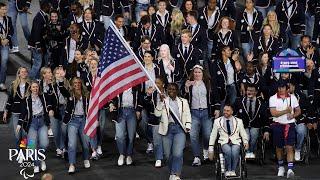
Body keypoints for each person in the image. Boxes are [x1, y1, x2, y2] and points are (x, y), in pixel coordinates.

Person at [155, 83, 191, 180]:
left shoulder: (183, 101)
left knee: (178, 153)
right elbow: (157, 114)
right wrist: (160, 102)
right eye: (169, 89)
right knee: (167, 154)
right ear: (166, 90)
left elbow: (187, 114)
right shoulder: (164, 101)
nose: (171, 91)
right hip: (167, 130)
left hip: (180, 129)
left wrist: (188, 125)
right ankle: (172, 172)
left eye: (174, 89)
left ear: (177, 91)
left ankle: (176, 174)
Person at [184, 65, 220, 166]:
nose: (197, 74)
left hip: (206, 112)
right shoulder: (189, 83)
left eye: (199, 72)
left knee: (207, 134)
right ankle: (196, 157)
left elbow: (215, 96)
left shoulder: (208, 83)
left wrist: (217, 108)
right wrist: (186, 88)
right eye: (195, 72)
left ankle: (205, 149)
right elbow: (185, 99)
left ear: (203, 73)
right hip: (193, 113)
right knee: (193, 135)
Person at [17, 81, 52, 173]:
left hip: (42, 122)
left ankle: (40, 158)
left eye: (37, 87)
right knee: (32, 145)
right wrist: (19, 124)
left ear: (38, 88)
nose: (35, 89)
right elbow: (23, 113)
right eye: (33, 87)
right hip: (32, 122)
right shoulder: (26, 99)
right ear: (30, 89)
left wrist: (50, 110)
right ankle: (36, 164)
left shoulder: (43, 96)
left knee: (44, 143)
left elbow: (48, 104)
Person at [269, 80, 301, 178]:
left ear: (286, 88)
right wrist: (286, 111)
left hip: (289, 125)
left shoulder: (293, 97)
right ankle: (281, 167)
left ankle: (290, 169)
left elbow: (298, 110)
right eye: (279, 88)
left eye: (283, 88)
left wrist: (293, 115)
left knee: (289, 147)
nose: (281, 89)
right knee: (279, 147)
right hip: (278, 125)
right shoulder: (273, 98)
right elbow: (273, 113)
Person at [208, 104, 249, 177]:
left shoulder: (239, 121)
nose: (225, 112)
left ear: (232, 112)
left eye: (228, 111)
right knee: (228, 151)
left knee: (235, 151)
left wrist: (245, 142)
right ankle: (228, 169)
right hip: (223, 142)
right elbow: (213, 135)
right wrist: (210, 148)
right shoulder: (217, 121)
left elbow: (243, 133)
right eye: (224, 110)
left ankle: (232, 170)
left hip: (235, 141)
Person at [109, 85, 142, 166]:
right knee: (120, 135)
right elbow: (111, 97)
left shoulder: (136, 87)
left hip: (132, 112)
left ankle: (129, 155)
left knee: (131, 135)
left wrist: (138, 110)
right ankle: (122, 154)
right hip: (120, 112)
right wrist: (111, 104)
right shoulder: (118, 86)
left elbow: (140, 99)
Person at [63, 77, 91, 174]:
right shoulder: (69, 93)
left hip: (83, 120)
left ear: (81, 84)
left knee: (86, 143)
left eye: (79, 83)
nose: (77, 84)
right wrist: (62, 78)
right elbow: (62, 89)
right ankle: (72, 164)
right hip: (72, 121)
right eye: (75, 83)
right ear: (72, 84)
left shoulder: (86, 94)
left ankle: (86, 158)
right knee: (71, 144)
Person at [234, 84, 269, 159]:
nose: (249, 92)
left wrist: (266, 130)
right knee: (247, 136)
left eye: (252, 91)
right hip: (243, 125)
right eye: (248, 90)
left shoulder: (261, 103)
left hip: (255, 125)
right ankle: (247, 151)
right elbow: (233, 114)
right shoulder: (239, 101)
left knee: (253, 135)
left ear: (256, 92)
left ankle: (251, 151)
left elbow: (265, 118)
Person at [3, 67, 30, 148]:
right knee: (17, 135)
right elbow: (10, 99)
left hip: (27, 113)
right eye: (22, 72)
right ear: (19, 74)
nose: (24, 73)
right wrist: (6, 111)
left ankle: (30, 151)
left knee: (27, 134)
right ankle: (20, 151)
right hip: (16, 113)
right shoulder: (14, 84)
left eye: (25, 72)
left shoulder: (30, 85)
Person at [143, 77, 166, 167]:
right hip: (155, 119)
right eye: (155, 83)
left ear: (163, 84)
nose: (156, 84)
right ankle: (158, 158)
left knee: (166, 140)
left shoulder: (169, 92)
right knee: (157, 141)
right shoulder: (152, 93)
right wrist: (148, 95)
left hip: (167, 120)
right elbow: (145, 102)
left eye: (158, 83)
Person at [28, 0, 51, 79]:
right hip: (36, 44)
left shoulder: (43, 15)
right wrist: (38, 46)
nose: (50, 8)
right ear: (45, 7)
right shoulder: (39, 17)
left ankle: (37, 78)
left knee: (43, 61)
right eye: (49, 6)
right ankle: (30, 80)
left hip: (41, 43)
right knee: (37, 63)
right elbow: (36, 32)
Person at [0, 2, 13, 90]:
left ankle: (1, 82)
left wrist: (7, 39)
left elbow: (11, 30)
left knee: (4, 61)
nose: (5, 11)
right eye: (3, 9)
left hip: (6, 43)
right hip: (1, 41)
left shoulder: (8, 19)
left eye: (5, 9)